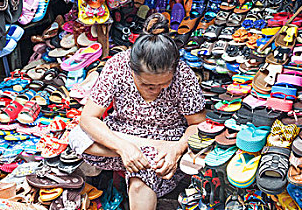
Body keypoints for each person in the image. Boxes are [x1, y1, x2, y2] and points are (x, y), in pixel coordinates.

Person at [69, 13, 206, 210]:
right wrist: (124, 148)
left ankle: (144, 156)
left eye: (164, 84)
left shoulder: (183, 75)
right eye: (148, 84)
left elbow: (198, 124)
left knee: (144, 171)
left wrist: (175, 150)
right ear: (132, 70)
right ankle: (145, 150)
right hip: (121, 138)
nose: (156, 90)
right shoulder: (117, 65)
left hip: (166, 144)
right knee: (77, 136)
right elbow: (89, 118)